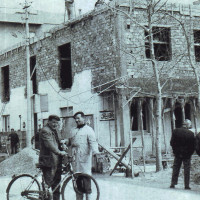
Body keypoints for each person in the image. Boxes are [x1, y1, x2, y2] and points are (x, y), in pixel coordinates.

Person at [68, 111, 99, 200]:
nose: (77, 120)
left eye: (78, 118)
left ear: (83, 118)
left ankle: (88, 198)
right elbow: (70, 141)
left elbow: (93, 142)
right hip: (75, 160)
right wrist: (65, 142)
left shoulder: (89, 130)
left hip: (85, 160)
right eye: (75, 119)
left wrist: (96, 152)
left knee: (86, 181)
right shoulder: (73, 130)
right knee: (77, 182)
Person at [39, 115, 67, 200]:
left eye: (57, 123)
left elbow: (59, 141)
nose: (55, 125)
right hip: (48, 161)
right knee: (48, 185)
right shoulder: (45, 131)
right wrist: (60, 152)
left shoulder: (56, 130)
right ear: (49, 122)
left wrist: (63, 145)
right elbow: (50, 145)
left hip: (57, 161)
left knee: (57, 184)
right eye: (54, 122)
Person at [170, 119, 195, 190]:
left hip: (178, 154)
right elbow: (192, 146)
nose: (190, 126)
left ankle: (173, 183)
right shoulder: (191, 134)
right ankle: (186, 185)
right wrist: (190, 153)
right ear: (187, 125)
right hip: (187, 155)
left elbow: (172, 143)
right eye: (190, 125)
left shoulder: (175, 131)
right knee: (187, 169)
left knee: (176, 168)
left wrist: (175, 151)